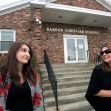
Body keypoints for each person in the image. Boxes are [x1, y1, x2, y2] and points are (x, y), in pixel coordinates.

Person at [0, 42, 44, 111]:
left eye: (29, 52)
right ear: (14, 52)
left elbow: (38, 99)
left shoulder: (32, 75)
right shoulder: (3, 76)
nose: (28, 54)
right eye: (24, 50)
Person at [85, 42, 111, 111]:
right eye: (102, 53)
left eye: (107, 51)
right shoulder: (98, 70)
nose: (104, 54)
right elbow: (93, 90)